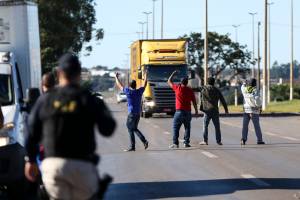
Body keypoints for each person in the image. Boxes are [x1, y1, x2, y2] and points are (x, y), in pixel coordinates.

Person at [24, 53, 116, 200]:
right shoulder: (88, 98)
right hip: (82, 167)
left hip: (53, 167)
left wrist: (30, 161)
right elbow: (108, 129)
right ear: (79, 74)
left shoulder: (45, 100)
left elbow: (31, 132)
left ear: (59, 73)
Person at [115, 72, 149, 152]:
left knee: (130, 128)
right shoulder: (139, 91)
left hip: (131, 114)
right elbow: (145, 84)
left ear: (130, 86)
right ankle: (142, 142)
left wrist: (116, 77)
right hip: (138, 114)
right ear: (136, 85)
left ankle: (134, 145)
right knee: (134, 128)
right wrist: (145, 76)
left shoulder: (128, 91)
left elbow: (119, 85)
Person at [167, 71, 198, 148]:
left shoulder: (178, 88)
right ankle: (186, 143)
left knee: (176, 127)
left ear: (181, 82)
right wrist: (196, 111)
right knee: (187, 127)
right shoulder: (190, 90)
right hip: (188, 112)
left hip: (179, 112)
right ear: (187, 83)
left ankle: (175, 143)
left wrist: (173, 73)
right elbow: (194, 102)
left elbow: (169, 81)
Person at [198, 77, 228, 145]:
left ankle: (205, 141)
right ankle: (218, 141)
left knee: (205, 126)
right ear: (214, 82)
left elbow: (194, 89)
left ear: (207, 82)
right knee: (217, 126)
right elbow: (222, 100)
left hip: (207, 110)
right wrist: (226, 110)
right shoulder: (217, 90)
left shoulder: (203, 88)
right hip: (215, 110)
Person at [241, 78, 265, 145]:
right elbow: (257, 100)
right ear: (255, 84)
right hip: (254, 110)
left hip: (246, 110)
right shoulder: (255, 90)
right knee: (256, 126)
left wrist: (244, 83)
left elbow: (242, 86)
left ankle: (243, 139)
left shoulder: (245, 89)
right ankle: (259, 140)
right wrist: (259, 106)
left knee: (245, 126)